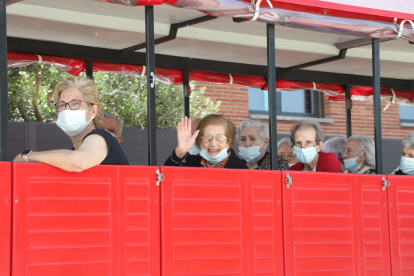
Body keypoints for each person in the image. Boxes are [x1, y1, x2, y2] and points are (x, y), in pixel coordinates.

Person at [13, 76, 129, 171]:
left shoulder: (101, 137)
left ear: (93, 111)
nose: (67, 110)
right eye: (62, 104)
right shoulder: (76, 151)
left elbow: (78, 162)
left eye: (75, 103)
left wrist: (27, 156)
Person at [164, 115, 248, 169]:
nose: (213, 143)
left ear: (228, 141)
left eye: (219, 138)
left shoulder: (241, 169)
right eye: (208, 137)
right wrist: (180, 151)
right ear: (200, 140)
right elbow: (164, 178)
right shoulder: (188, 163)